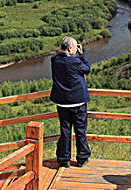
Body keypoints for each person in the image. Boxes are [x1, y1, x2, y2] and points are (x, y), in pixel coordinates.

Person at [50, 36, 91, 168]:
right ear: (70, 48)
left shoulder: (54, 60)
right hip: (78, 102)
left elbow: (60, 57)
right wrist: (81, 54)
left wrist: (74, 54)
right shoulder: (76, 62)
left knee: (65, 131)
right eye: (74, 47)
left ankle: (63, 159)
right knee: (80, 131)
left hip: (62, 103)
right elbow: (87, 69)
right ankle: (82, 159)